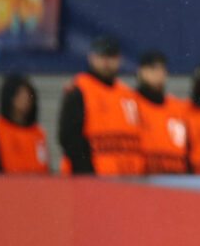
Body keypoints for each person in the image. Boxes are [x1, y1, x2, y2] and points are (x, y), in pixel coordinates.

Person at [59, 36, 143, 176]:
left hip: (127, 179)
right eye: (102, 57)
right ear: (92, 58)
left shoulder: (128, 95)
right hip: (93, 180)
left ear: (119, 59)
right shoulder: (79, 90)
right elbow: (69, 138)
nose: (106, 62)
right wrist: (87, 174)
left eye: (111, 57)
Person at [0, 74, 61, 174]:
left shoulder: (38, 132)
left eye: (28, 96)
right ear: (10, 97)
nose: (25, 100)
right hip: (6, 186)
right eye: (20, 95)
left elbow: (46, 166)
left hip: (38, 187)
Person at [134, 51, 188, 175]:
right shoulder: (130, 103)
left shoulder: (177, 107)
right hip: (142, 177)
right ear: (140, 72)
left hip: (174, 177)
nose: (157, 74)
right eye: (152, 69)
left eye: (161, 69)